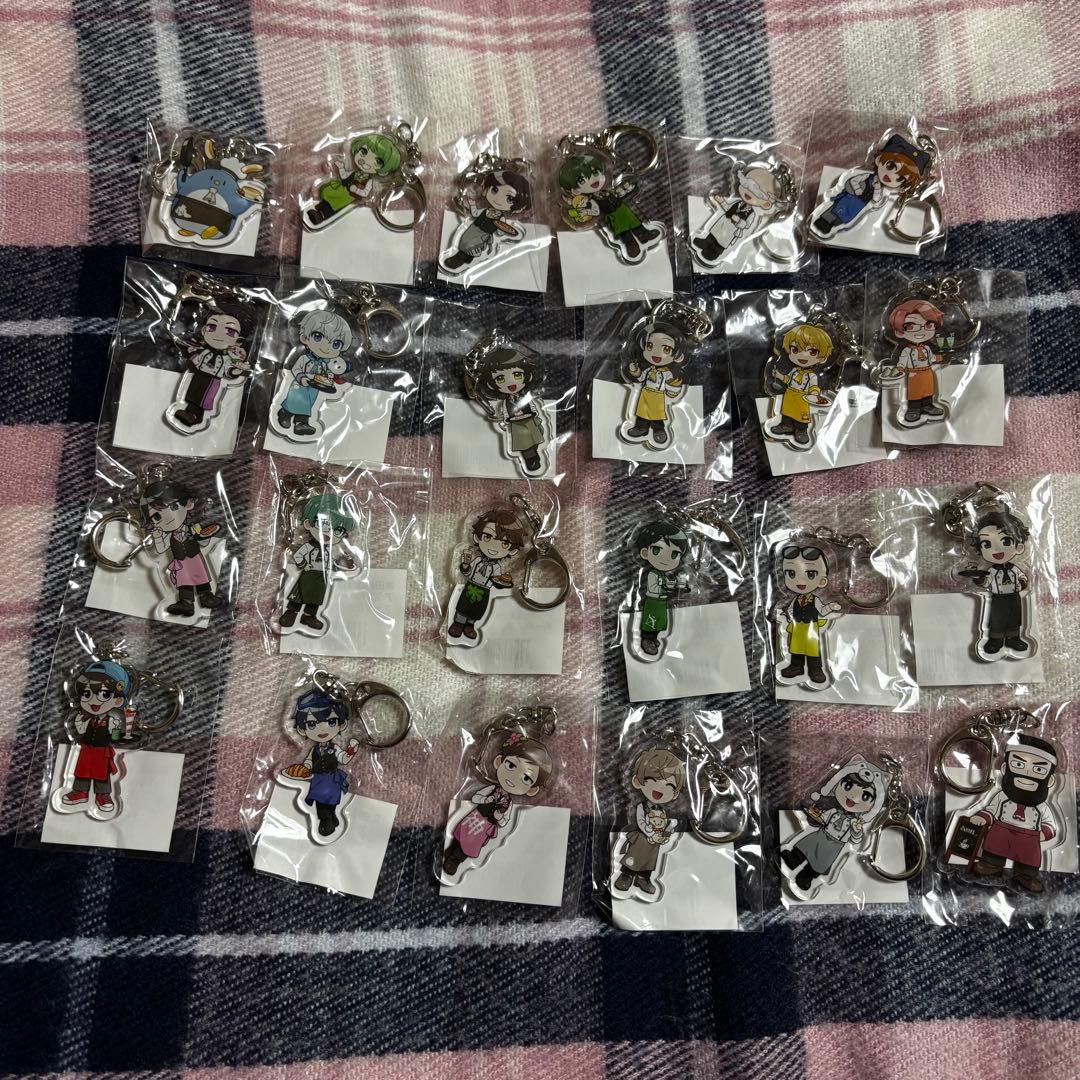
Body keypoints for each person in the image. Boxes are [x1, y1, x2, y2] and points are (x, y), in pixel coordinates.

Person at [442, 730, 553, 876]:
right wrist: (484, 800)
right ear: (499, 762)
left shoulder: (509, 803)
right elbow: (476, 798)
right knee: (460, 835)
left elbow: (505, 821)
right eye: (511, 766)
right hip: (474, 817)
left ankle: (455, 860)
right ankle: (450, 850)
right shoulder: (491, 789)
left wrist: (499, 817)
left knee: (470, 845)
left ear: (532, 790)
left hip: (486, 827)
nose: (514, 777)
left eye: (526, 778)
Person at [781, 755, 887, 895]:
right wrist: (813, 813)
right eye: (848, 786)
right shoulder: (834, 810)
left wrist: (856, 831)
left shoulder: (855, 823)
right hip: (821, 835)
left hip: (834, 846)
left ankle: (807, 876)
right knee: (807, 845)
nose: (853, 797)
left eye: (865, 796)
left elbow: (856, 841)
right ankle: (794, 858)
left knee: (820, 862)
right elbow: (823, 818)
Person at [970, 734, 1058, 893]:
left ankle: (1025, 876)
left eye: (1038, 769)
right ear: (1005, 769)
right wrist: (982, 818)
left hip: (1029, 838)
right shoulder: (1001, 796)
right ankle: (991, 865)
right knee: (994, 848)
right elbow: (991, 811)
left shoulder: (1042, 807)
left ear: (1050, 780)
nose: (1027, 773)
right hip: (1001, 832)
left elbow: (1050, 824)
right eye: (1018, 764)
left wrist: (1043, 834)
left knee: (1029, 860)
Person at [811, 132, 931, 237]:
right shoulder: (866, 176)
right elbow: (852, 181)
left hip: (859, 205)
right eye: (890, 166)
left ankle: (831, 226)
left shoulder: (881, 189)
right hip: (849, 198)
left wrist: (877, 189)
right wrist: (857, 190)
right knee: (834, 211)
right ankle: (822, 222)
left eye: (900, 178)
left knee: (844, 218)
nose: (892, 176)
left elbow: (876, 199)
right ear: (879, 160)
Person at [141, 478, 222, 617]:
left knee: (201, 577)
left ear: (189, 504)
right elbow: (160, 549)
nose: (168, 517)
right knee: (184, 582)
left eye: (173, 507)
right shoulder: (167, 536)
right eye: (156, 517)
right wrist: (158, 537)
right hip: (180, 563)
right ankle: (186, 604)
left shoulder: (194, 527)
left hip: (195, 558)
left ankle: (206, 596)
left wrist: (204, 535)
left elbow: (203, 543)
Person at [558, 153, 662, 262]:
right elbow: (595, 211)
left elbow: (618, 194)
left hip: (622, 209)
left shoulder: (608, 190)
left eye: (595, 172)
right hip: (612, 216)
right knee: (623, 231)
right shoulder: (590, 200)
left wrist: (627, 189)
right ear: (576, 190)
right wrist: (585, 212)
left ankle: (644, 234)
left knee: (634, 222)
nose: (593, 179)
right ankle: (631, 245)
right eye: (582, 180)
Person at [285, 689, 359, 837]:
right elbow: (308, 761)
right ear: (302, 729)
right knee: (320, 802)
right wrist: (304, 769)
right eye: (312, 724)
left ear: (341, 724)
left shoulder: (335, 748)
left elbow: (343, 759)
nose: (322, 729)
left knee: (332, 801)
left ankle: (331, 815)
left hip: (332, 780)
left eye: (331, 721)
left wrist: (351, 750)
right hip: (318, 780)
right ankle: (325, 821)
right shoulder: (314, 750)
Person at [279, 494, 359, 632]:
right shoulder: (309, 545)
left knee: (316, 598)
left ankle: (308, 616)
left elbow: (332, 563)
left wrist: (341, 566)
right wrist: (304, 565)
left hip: (322, 576)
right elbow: (298, 555)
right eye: (324, 524)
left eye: (338, 531)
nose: (329, 533)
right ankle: (291, 612)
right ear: (308, 524)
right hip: (308, 574)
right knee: (299, 594)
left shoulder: (331, 550)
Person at [169, 302, 255, 429]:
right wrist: (190, 353)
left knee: (203, 397)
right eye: (212, 327)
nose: (219, 334)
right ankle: (189, 412)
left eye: (230, 331)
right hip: (199, 375)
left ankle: (195, 416)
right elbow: (196, 359)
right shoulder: (205, 351)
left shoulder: (228, 358)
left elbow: (228, 369)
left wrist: (235, 371)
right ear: (204, 330)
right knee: (192, 394)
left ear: (238, 340)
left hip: (212, 380)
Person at [60, 661, 131, 812]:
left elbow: (115, 738)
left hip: (102, 751)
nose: (93, 700)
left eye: (104, 694)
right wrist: (80, 720)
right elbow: (80, 730)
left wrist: (117, 731)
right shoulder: (85, 718)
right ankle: (80, 792)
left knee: (102, 774)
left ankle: (103, 795)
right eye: (87, 694)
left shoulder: (112, 720)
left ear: (118, 700)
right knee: (82, 771)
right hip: (86, 748)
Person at [612, 747, 685, 895]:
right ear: (637, 782)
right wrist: (651, 833)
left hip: (654, 843)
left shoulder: (663, 811)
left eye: (669, 786)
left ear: (675, 794)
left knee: (649, 861)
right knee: (634, 856)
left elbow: (663, 826)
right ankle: (626, 876)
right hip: (642, 839)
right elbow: (641, 822)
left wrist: (667, 832)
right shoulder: (641, 807)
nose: (660, 788)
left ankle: (643, 879)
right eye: (652, 781)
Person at [959, 509, 1032, 657]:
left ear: (1019, 547)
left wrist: (1021, 584)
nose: (997, 549)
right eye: (987, 544)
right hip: (998, 599)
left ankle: (1013, 638)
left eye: (1006, 541)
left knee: (1014, 618)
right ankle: (995, 640)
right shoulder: (991, 571)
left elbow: (1023, 578)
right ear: (980, 549)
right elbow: (986, 582)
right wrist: (978, 578)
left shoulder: (1014, 569)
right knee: (997, 619)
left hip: (1014, 597)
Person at [448, 509, 524, 641]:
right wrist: (465, 566)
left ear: (512, 550)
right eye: (487, 537)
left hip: (484, 591)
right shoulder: (477, 560)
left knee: (477, 610)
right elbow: (468, 573)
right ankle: (458, 623)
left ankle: (470, 626)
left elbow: (497, 581)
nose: (494, 546)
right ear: (477, 537)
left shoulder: (497, 567)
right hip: (470, 586)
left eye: (505, 543)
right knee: (463, 606)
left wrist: (503, 582)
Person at [276, 309, 354, 438]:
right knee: (294, 402)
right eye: (318, 337)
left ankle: (301, 423)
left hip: (314, 389)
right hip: (299, 387)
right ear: (304, 338)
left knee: (308, 405)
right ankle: (285, 413)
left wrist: (329, 377)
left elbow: (326, 373)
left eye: (336, 344)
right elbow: (296, 369)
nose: (326, 347)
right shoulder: (304, 358)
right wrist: (302, 378)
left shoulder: (325, 363)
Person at [774, 544, 842, 686]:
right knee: (796, 649)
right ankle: (796, 666)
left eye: (810, 574)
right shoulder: (795, 600)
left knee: (813, 650)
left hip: (811, 629)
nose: (800, 581)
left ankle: (815, 669)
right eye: (791, 573)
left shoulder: (815, 600)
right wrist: (786, 617)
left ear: (822, 581)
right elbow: (790, 611)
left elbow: (822, 611)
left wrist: (831, 607)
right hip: (797, 628)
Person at [303, 132, 403, 228]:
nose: (365, 160)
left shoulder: (369, 181)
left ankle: (321, 216)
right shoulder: (355, 172)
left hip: (347, 196)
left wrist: (355, 189)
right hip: (341, 188)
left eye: (377, 161)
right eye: (363, 152)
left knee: (334, 206)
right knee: (328, 195)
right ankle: (318, 208)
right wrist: (341, 168)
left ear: (383, 171)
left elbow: (365, 193)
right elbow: (345, 176)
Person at [440, 168, 531, 273]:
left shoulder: (501, 218)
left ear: (517, 207)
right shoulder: (486, 210)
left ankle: (460, 259)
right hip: (473, 229)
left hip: (482, 235)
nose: (498, 199)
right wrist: (473, 205)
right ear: (487, 189)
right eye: (495, 190)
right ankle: (462, 257)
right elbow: (475, 214)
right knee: (465, 240)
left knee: (472, 246)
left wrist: (502, 228)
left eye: (509, 199)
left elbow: (500, 232)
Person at [691, 164, 784, 265]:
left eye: (757, 194)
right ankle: (706, 242)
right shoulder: (737, 202)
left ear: (765, 204)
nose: (749, 193)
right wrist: (721, 201)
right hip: (723, 222)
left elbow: (746, 225)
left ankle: (714, 252)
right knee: (714, 233)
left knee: (721, 242)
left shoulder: (752, 214)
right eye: (746, 185)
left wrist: (739, 221)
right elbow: (727, 207)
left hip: (732, 230)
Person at [765, 323, 835, 449]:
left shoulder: (812, 376)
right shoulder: (794, 371)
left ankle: (801, 431)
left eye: (812, 352)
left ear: (822, 358)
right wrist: (779, 376)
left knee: (801, 417)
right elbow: (788, 380)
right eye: (795, 349)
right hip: (789, 395)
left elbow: (814, 387)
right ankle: (786, 426)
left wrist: (814, 394)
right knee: (787, 413)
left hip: (802, 398)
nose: (803, 355)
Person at [621, 319, 688, 451]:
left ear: (677, 356)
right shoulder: (648, 370)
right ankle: (641, 428)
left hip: (658, 396)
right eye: (650, 346)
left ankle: (659, 430)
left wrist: (673, 389)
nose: (656, 353)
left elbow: (671, 385)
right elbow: (641, 378)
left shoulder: (667, 373)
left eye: (666, 349)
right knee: (641, 413)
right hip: (645, 393)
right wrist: (635, 371)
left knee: (657, 415)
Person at [882, 298, 947, 425]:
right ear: (900, 332)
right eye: (911, 326)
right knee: (915, 392)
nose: (921, 330)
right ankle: (913, 408)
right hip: (914, 374)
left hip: (927, 373)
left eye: (929, 325)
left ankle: (928, 406)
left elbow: (931, 358)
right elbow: (902, 360)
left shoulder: (927, 348)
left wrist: (940, 358)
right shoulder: (907, 350)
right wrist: (899, 368)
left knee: (928, 390)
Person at [634, 521, 691, 658]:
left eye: (674, 555)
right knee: (651, 623)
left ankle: (654, 638)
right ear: (645, 553)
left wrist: (677, 585)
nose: (666, 559)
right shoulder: (653, 574)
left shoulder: (662, 574)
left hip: (661, 602)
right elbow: (657, 586)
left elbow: (667, 585)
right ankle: (647, 640)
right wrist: (670, 586)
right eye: (657, 550)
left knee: (659, 623)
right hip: (653, 602)